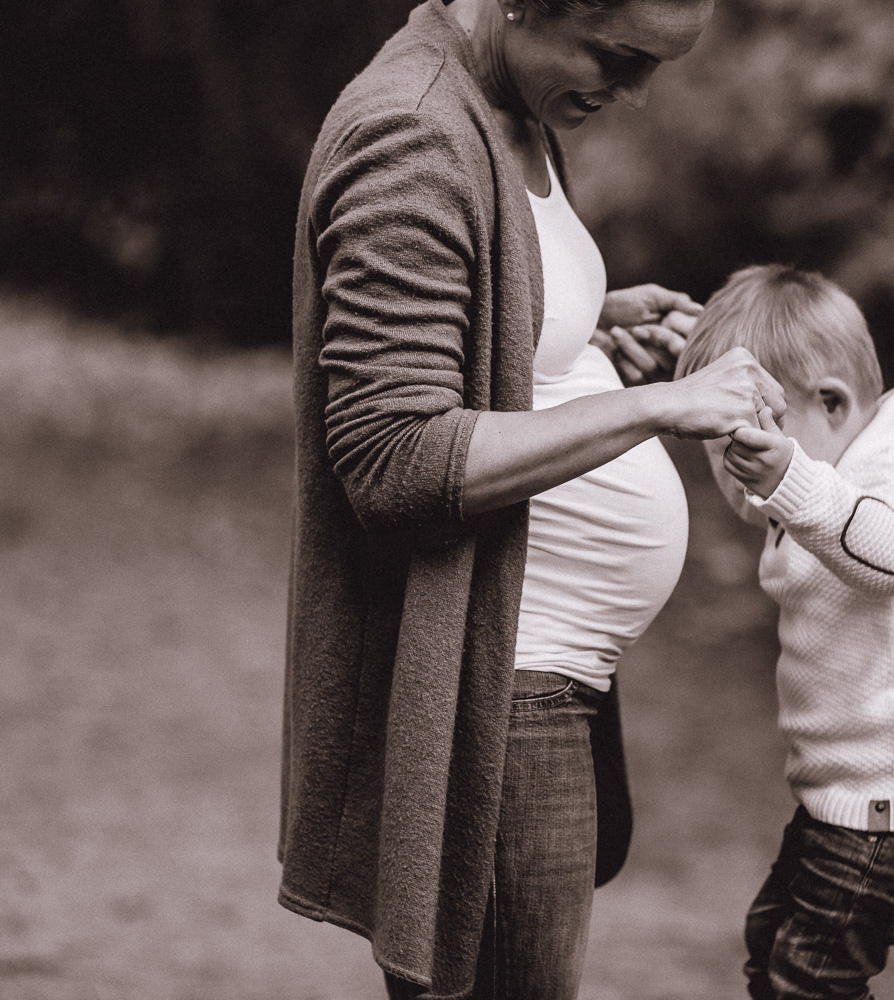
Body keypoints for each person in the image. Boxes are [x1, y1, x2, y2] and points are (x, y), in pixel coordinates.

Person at [278, 1, 784, 998]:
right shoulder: (413, 135)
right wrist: (655, 408)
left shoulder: (509, 101)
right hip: (495, 687)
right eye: (620, 56)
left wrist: (579, 326)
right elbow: (393, 456)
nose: (636, 95)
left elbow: (467, 324)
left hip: (542, 671)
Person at [676, 265, 894, 1000]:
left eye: (745, 441)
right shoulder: (826, 470)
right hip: (850, 802)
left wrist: (788, 475)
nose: (734, 472)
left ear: (831, 402)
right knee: (774, 944)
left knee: (810, 980)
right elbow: (783, 503)